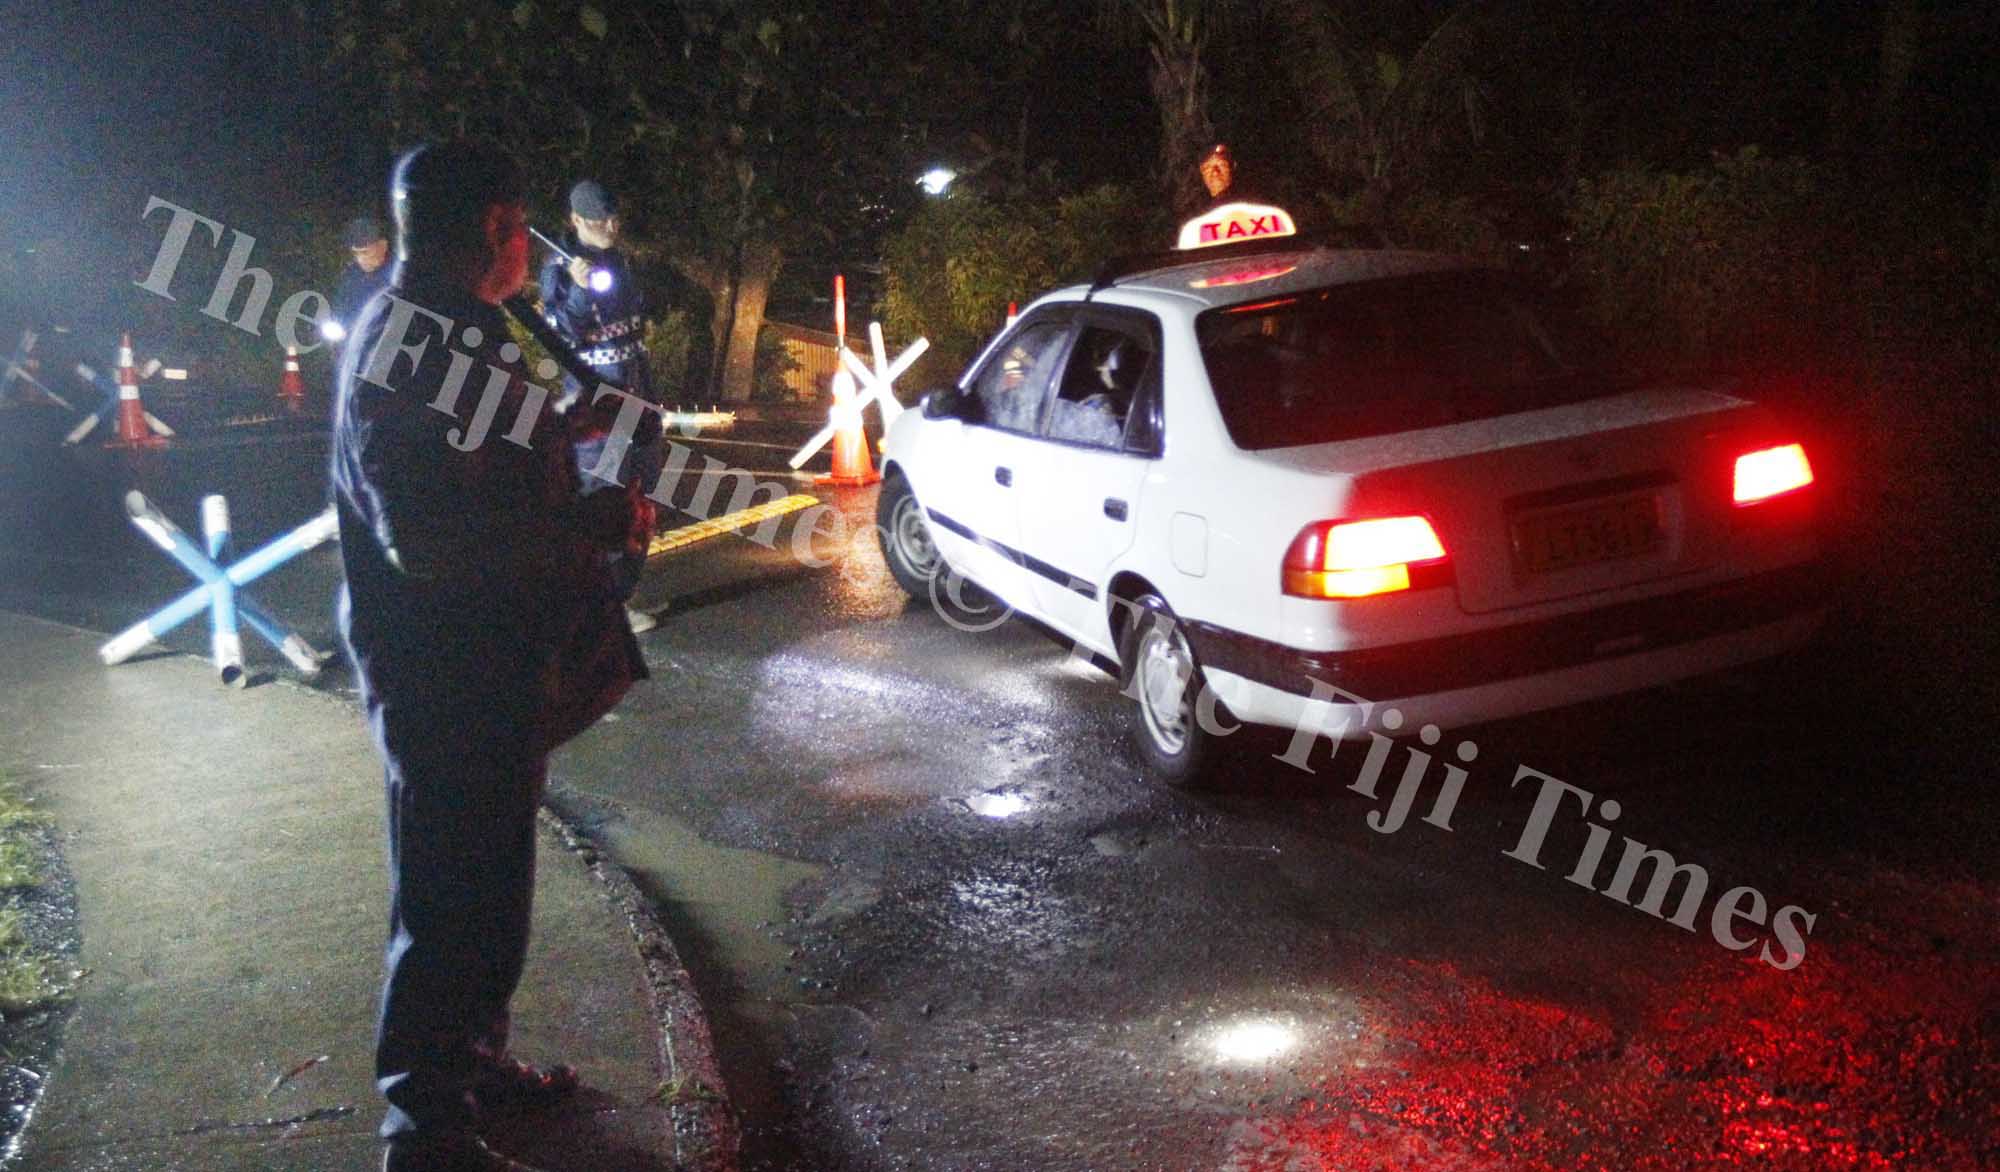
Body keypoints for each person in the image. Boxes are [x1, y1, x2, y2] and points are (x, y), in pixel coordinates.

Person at [331, 141, 647, 1172]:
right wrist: (587, 523)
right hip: (443, 673)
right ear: (493, 230)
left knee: (491, 881)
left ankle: (470, 1066)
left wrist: (565, 425)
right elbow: (423, 535)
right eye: (516, 224)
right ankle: (422, 1124)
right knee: (449, 892)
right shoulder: (409, 338)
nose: (524, 242)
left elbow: (479, 467)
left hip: (494, 667)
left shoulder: (448, 322)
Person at [537, 179, 664, 633]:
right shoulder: (558, 269)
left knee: (644, 485)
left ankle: (620, 592)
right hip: (599, 397)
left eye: (614, 218)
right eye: (598, 221)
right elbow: (562, 335)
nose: (610, 227)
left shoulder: (619, 258)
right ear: (575, 221)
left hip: (636, 383)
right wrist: (577, 290)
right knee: (607, 494)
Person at [329, 215, 392, 343]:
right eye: (356, 253)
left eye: (365, 252)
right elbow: (341, 308)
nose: (360, 259)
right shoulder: (351, 276)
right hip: (357, 345)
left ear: (383, 246)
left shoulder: (396, 274)